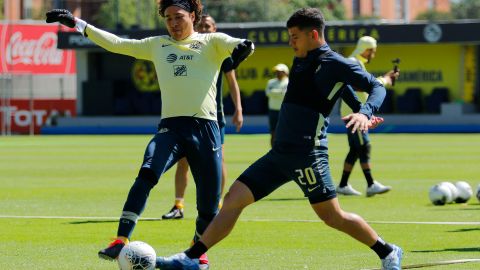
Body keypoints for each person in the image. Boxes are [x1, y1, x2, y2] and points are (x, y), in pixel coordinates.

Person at [156, 7, 402, 270]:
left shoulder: (336, 62)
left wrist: (365, 112)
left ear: (314, 35)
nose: (290, 41)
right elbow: (340, 89)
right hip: (280, 154)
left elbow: (376, 87)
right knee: (233, 200)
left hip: (308, 155)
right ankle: (193, 259)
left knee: (332, 216)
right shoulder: (302, 58)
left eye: (295, 36)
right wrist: (356, 107)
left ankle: (387, 251)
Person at [45, 1, 254, 269]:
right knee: (147, 174)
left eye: (178, 17)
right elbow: (117, 43)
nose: (173, 23)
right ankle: (120, 239)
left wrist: (243, 48)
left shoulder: (211, 41)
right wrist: (78, 24)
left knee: (209, 204)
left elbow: (240, 43)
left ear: (193, 15)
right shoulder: (157, 44)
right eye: (168, 18)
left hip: (206, 131)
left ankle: (196, 254)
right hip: (171, 129)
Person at [162, 14, 244, 220]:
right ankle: (178, 205)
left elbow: (232, 83)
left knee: (218, 160)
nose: (205, 29)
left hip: (214, 117)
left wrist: (239, 109)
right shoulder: (189, 48)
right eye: (202, 25)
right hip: (186, 116)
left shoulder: (220, 51)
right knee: (183, 161)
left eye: (208, 26)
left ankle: (216, 204)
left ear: (215, 28)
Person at [336, 36, 399, 197]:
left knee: (356, 148)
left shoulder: (357, 62)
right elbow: (357, 86)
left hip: (354, 112)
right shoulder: (353, 62)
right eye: (373, 51)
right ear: (366, 50)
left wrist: (385, 79)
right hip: (355, 114)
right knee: (364, 146)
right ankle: (370, 184)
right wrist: (383, 81)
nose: (374, 55)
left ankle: (343, 185)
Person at [265, 63, 289, 147]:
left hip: (284, 111)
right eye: (277, 72)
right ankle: (273, 151)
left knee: (285, 132)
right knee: (273, 132)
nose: (278, 73)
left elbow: (285, 94)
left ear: (285, 72)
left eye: (280, 72)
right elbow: (268, 93)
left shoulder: (288, 82)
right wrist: (279, 92)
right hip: (273, 111)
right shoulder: (271, 82)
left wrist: (274, 92)